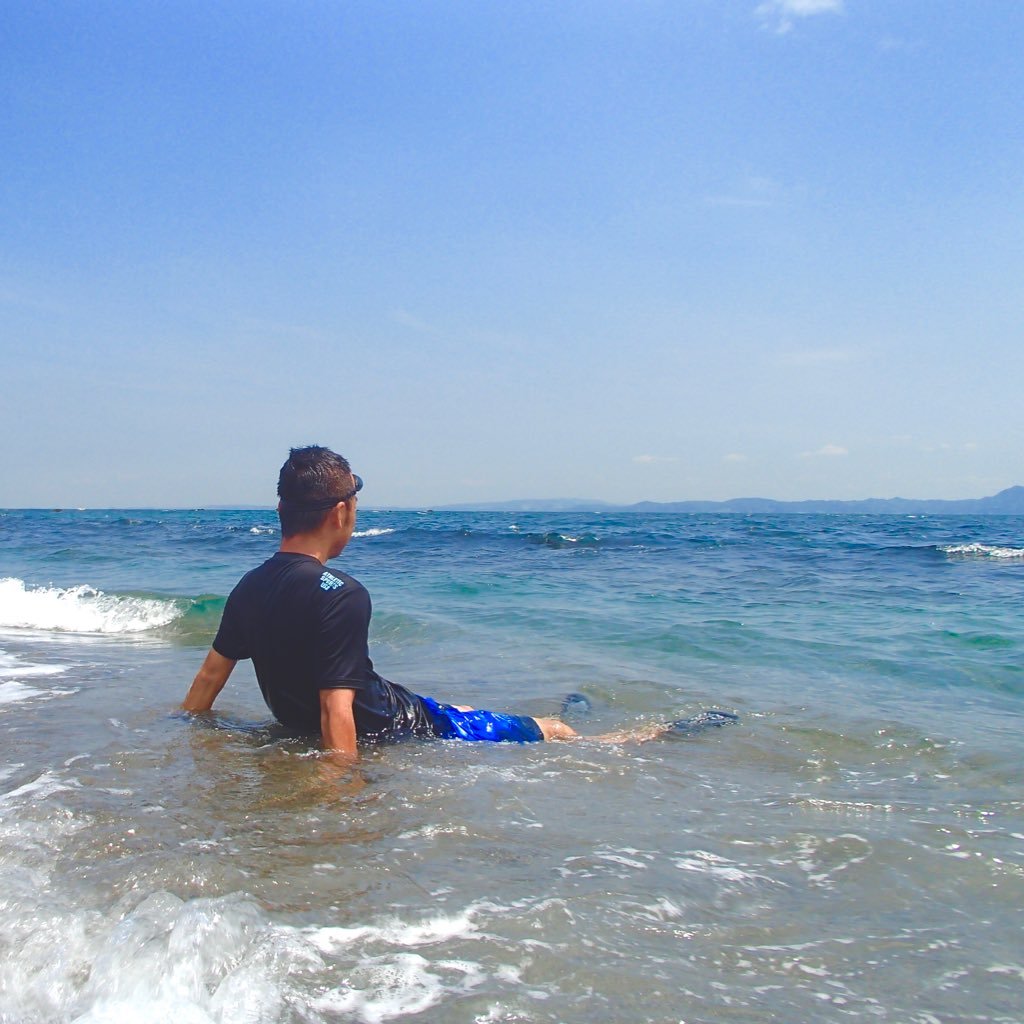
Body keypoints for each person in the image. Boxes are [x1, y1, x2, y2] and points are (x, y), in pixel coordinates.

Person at [182, 445, 591, 763]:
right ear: (341, 513)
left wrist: (182, 737)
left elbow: (207, 681)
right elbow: (335, 709)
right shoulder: (342, 593)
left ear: (280, 512)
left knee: (450, 711)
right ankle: (617, 739)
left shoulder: (249, 584)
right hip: (397, 722)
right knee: (543, 729)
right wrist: (341, 791)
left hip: (381, 707)